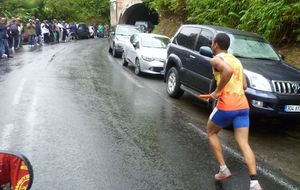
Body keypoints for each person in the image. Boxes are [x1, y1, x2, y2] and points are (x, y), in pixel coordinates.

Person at [207, 33, 262, 190]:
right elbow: (244, 85)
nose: (212, 45)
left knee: (211, 132)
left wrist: (217, 91)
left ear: (216, 45)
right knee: (244, 143)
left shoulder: (216, 59)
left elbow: (228, 71)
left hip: (227, 105)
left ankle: (223, 169)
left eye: (212, 43)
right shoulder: (237, 61)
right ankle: (254, 183)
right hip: (243, 106)